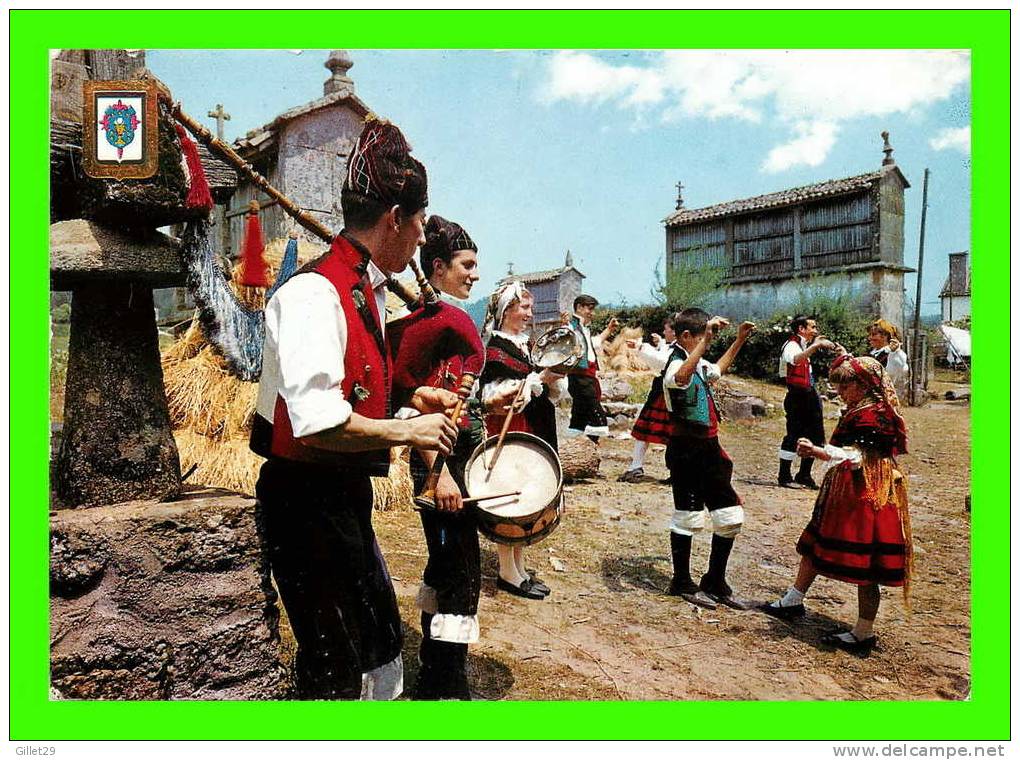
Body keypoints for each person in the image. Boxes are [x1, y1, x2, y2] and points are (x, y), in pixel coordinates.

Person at [250, 120, 459, 700]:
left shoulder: (361, 288)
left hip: (339, 497)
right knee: (337, 662)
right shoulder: (313, 294)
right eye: (418, 223)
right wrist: (408, 429)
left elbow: (349, 394)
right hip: (305, 501)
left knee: (379, 644)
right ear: (394, 217)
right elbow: (317, 421)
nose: (422, 239)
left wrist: (410, 398)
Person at [760, 354, 911, 656]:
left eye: (845, 387)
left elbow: (859, 456)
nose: (840, 393)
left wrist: (818, 451)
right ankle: (793, 599)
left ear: (864, 384)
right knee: (815, 543)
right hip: (848, 490)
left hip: (868, 493)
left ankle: (863, 632)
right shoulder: (863, 407)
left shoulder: (875, 415)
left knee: (867, 566)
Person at [397, 215, 484, 700]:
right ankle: (444, 688)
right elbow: (411, 402)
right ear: (437, 267)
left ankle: (436, 670)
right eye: (466, 265)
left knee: (446, 564)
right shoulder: (429, 326)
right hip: (438, 464)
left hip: (454, 459)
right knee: (462, 572)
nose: (474, 274)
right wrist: (441, 474)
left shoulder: (449, 319)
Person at [661, 308, 756, 610]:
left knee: (730, 516)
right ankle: (681, 581)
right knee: (688, 517)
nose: (707, 343)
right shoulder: (675, 364)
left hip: (710, 451)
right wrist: (705, 343)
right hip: (686, 451)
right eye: (702, 338)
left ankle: (715, 579)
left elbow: (717, 369)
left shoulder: (698, 363)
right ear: (687, 337)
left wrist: (739, 340)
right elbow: (679, 377)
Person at [479, 280, 566, 599]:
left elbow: (540, 388)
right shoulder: (495, 349)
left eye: (530, 307)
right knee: (509, 495)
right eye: (524, 307)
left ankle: (519, 567)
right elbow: (495, 395)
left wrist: (553, 381)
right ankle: (507, 571)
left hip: (530, 426)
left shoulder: (524, 344)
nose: (530, 312)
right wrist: (537, 380)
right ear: (507, 310)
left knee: (526, 495)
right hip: (509, 428)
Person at [777, 315, 835, 490]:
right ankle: (784, 475)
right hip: (797, 396)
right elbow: (795, 359)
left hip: (808, 394)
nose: (815, 330)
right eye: (812, 327)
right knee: (794, 434)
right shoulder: (791, 345)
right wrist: (816, 345)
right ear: (801, 329)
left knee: (815, 434)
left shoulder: (803, 345)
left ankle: (804, 474)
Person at [618, 316, 677, 483]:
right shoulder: (672, 346)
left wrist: (640, 347)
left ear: (673, 332)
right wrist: (658, 344)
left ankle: (677, 472)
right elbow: (662, 357)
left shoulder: (678, 349)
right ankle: (635, 467)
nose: (664, 331)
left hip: (668, 394)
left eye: (666, 329)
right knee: (643, 431)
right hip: (661, 390)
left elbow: (662, 362)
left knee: (673, 436)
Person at [565, 294, 618, 442]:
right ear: (579, 307)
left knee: (579, 417)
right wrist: (565, 324)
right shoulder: (570, 326)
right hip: (579, 377)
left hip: (587, 376)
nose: (592, 313)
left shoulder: (583, 328)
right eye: (589, 309)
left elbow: (594, 343)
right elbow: (565, 340)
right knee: (598, 418)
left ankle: (578, 450)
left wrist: (609, 329)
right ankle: (591, 445)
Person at [867, 318, 909, 402]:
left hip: (884, 400)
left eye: (874, 334)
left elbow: (901, 370)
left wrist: (895, 352)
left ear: (885, 336)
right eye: (870, 335)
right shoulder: (872, 354)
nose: (870, 338)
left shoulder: (894, 355)